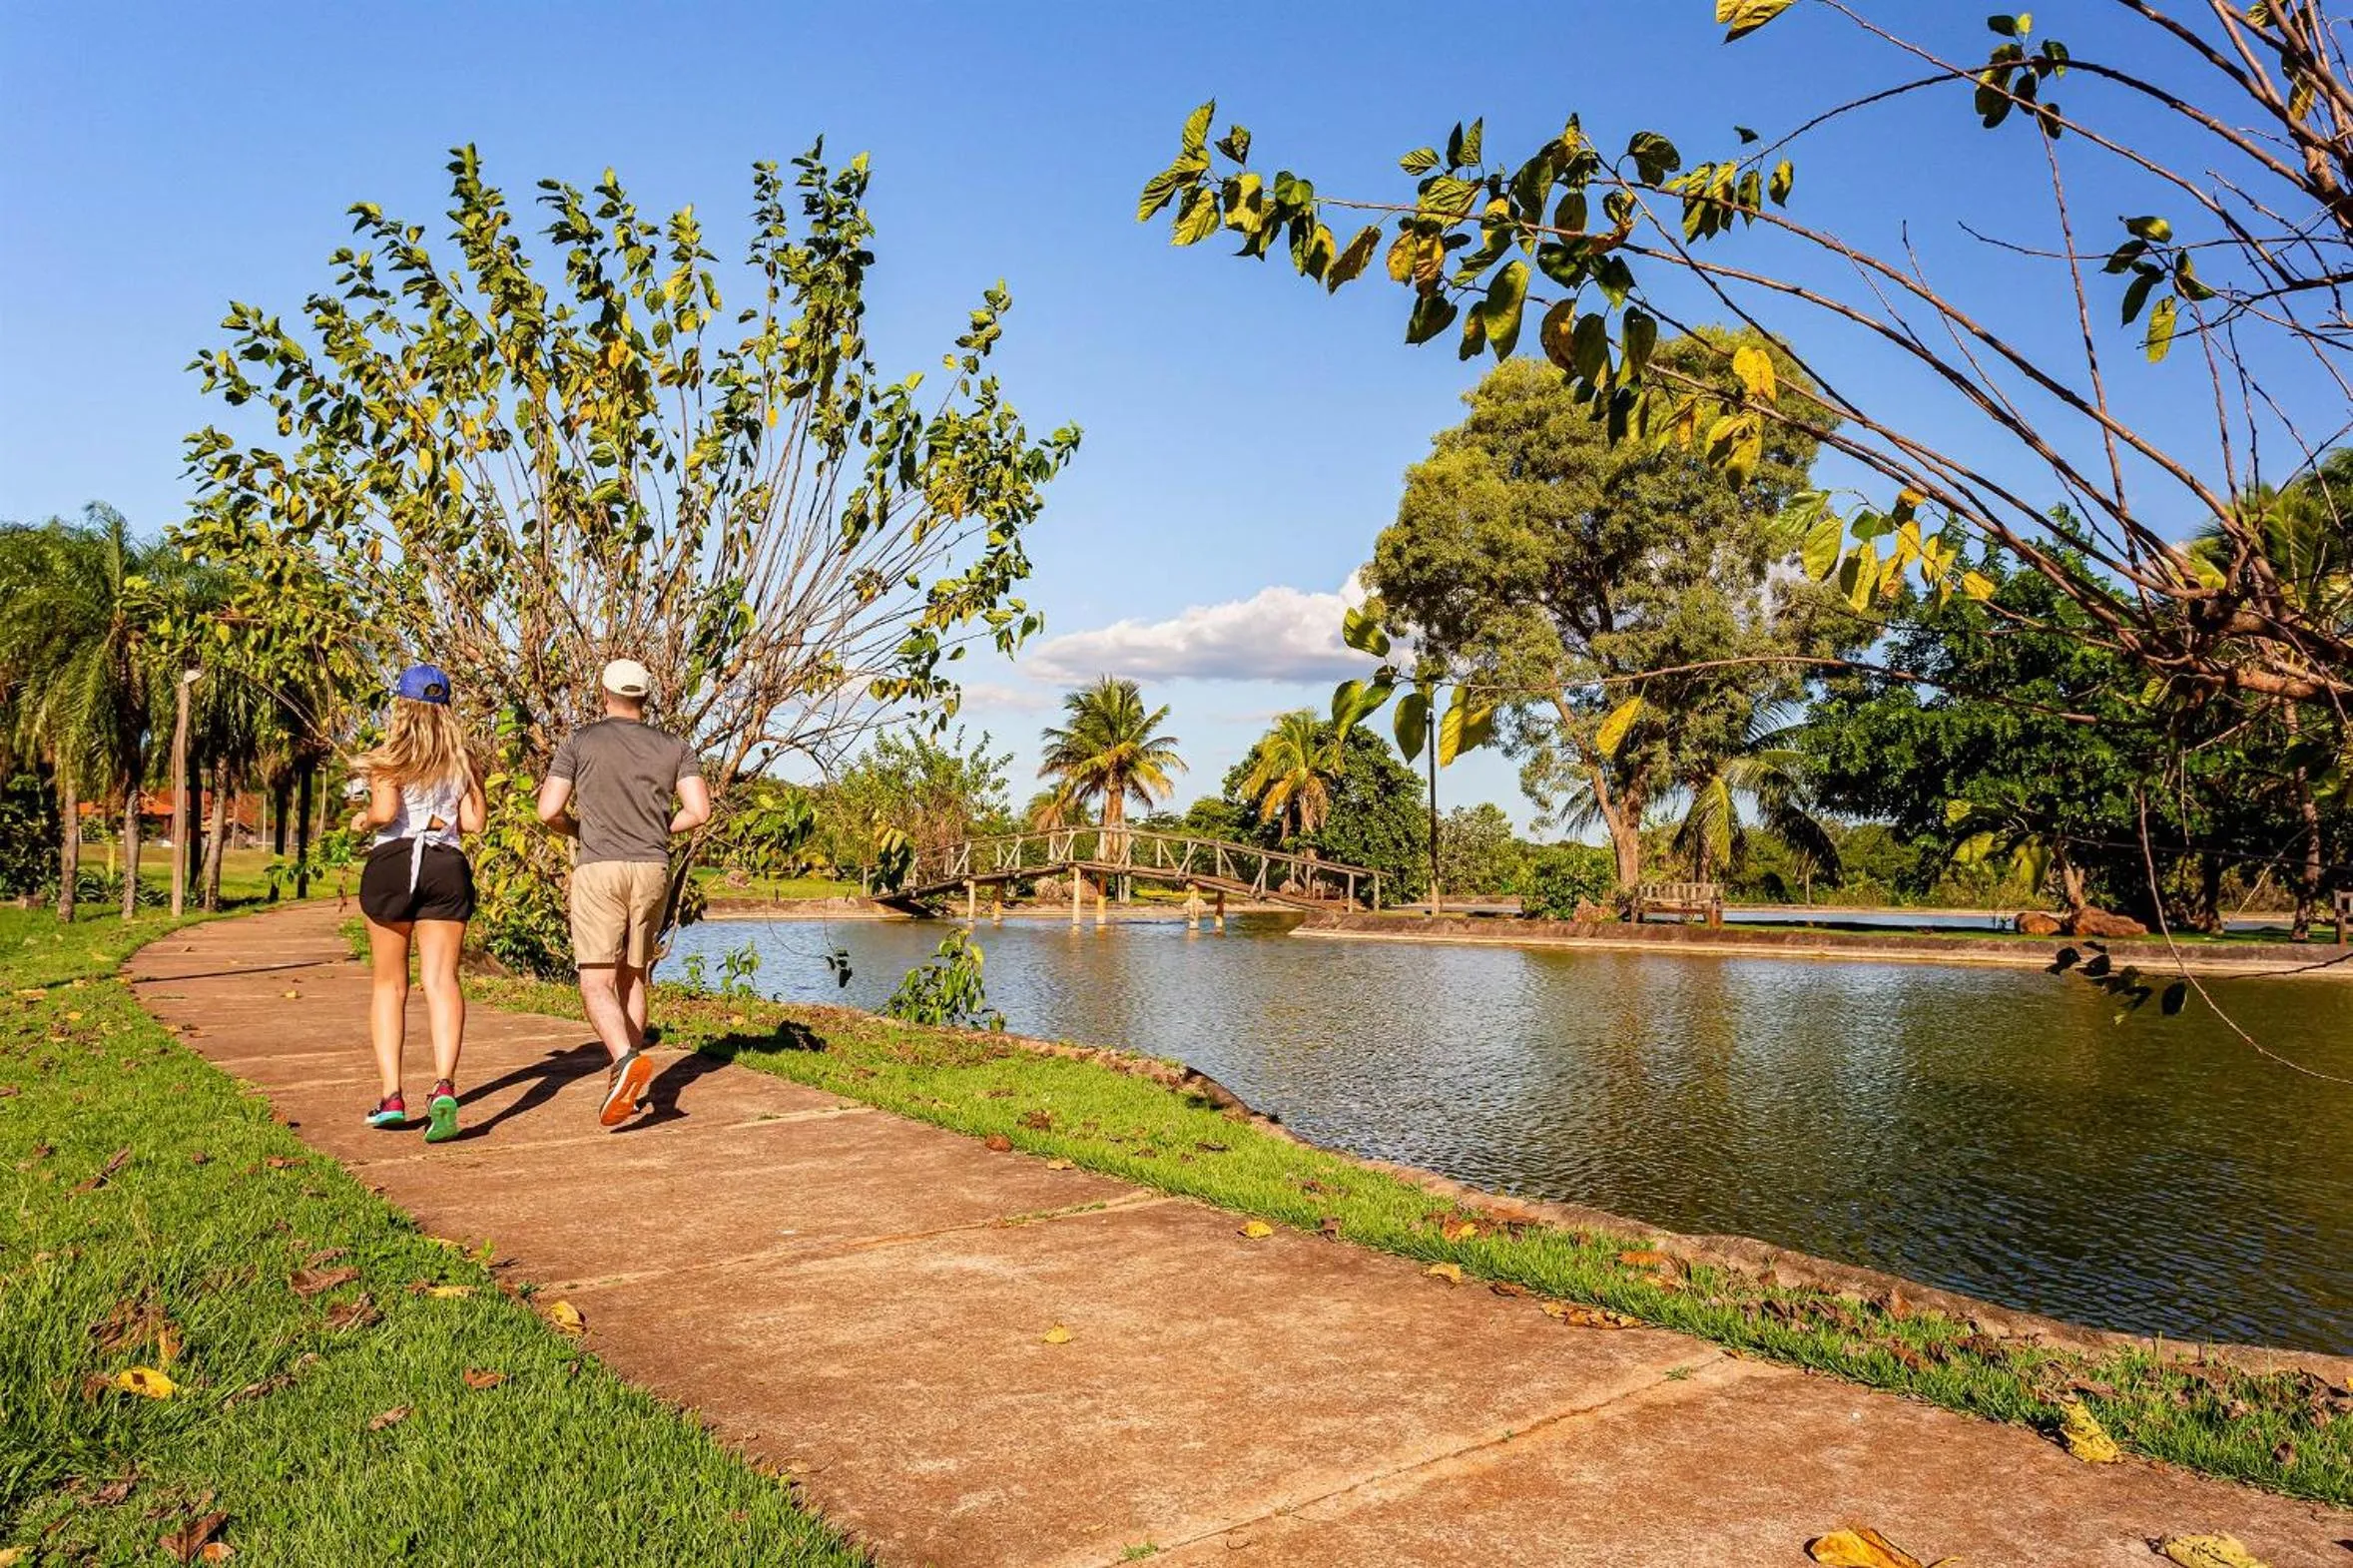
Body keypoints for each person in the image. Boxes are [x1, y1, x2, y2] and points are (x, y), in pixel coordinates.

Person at [536, 658, 710, 1128]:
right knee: (633, 976)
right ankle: (630, 1089)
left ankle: (625, 1058)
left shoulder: (580, 741)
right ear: (645, 697)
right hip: (652, 868)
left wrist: (577, 829)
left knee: (596, 980)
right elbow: (699, 811)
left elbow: (548, 809)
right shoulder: (675, 746)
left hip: (600, 867)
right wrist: (656, 828)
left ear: (604, 693)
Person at [351, 663, 485, 1143]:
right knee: (441, 980)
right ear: (445, 709)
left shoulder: (388, 757)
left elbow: (386, 811)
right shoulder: (463, 761)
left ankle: (392, 1097)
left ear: (401, 707)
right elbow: (475, 823)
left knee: (390, 984)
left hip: (394, 863)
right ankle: (444, 1086)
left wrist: (364, 821)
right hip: (445, 866)